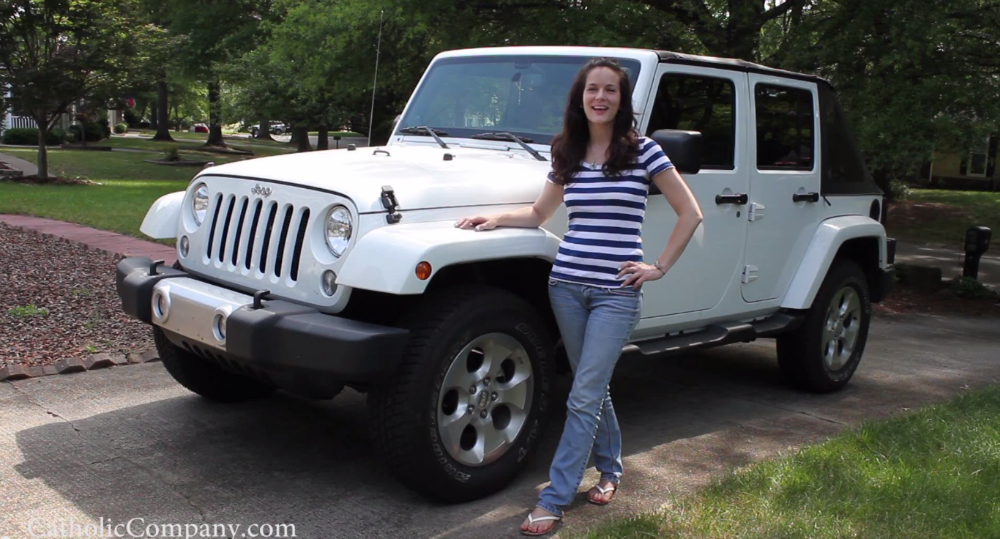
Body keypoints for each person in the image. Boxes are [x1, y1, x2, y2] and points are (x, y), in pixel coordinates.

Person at [455, 57, 704, 537]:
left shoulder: (644, 151)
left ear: (621, 99)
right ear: (581, 96)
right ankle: (611, 469)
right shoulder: (566, 151)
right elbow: (538, 213)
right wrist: (493, 219)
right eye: (593, 89)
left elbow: (689, 212)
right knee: (594, 389)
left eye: (610, 90)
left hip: (616, 293)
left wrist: (658, 267)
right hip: (565, 286)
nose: (601, 98)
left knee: (583, 394)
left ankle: (554, 497)